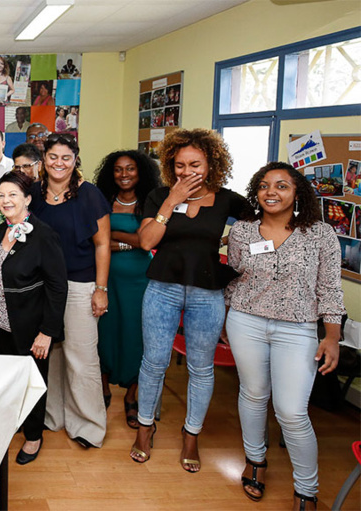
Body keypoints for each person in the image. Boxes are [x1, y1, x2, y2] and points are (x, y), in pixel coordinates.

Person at [225, 162, 344, 510]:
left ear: (297, 193)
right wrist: (226, 318)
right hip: (246, 321)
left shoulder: (321, 234)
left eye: (281, 186)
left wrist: (332, 336)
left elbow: (330, 289)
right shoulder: (243, 231)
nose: (271, 192)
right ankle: (255, 462)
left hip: (298, 329)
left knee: (291, 411)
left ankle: (306, 487)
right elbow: (233, 278)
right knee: (253, 394)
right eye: (264, 186)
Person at [130, 128, 250, 472]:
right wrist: (171, 201)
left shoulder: (228, 200)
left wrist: (231, 240)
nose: (186, 172)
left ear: (211, 163)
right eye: (179, 165)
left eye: (194, 164)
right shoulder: (158, 196)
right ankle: (144, 427)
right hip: (162, 290)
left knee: (201, 367)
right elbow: (146, 240)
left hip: (207, 294)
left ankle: (191, 434)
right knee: (153, 363)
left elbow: (259, 226)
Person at [0, 171, 68, 465]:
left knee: (32, 382)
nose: (6, 201)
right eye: (2, 195)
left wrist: (47, 332)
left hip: (29, 326)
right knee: (3, 382)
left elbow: (58, 286)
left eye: (13, 195)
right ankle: (8, 426)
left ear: (28, 199)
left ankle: (33, 436)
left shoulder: (43, 235)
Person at [30, 134, 111, 449]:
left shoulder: (89, 195)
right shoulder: (34, 193)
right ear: (44, 159)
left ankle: (88, 425)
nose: (59, 163)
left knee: (81, 356)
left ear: (75, 159)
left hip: (79, 283)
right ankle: (55, 416)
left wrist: (100, 289)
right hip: (44, 286)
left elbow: (103, 244)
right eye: (53, 157)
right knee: (51, 355)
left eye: (66, 157)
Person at [93, 150, 161, 428]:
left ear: (140, 171)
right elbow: (94, 242)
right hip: (104, 278)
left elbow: (147, 242)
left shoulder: (150, 202)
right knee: (104, 333)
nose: (124, 174)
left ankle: (133, 396)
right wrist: (129, 240)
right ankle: (103, 388)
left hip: (139, 280)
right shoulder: (102, 200)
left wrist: (114, 237)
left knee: (137, 336)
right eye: (118, 169)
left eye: (130, 169)